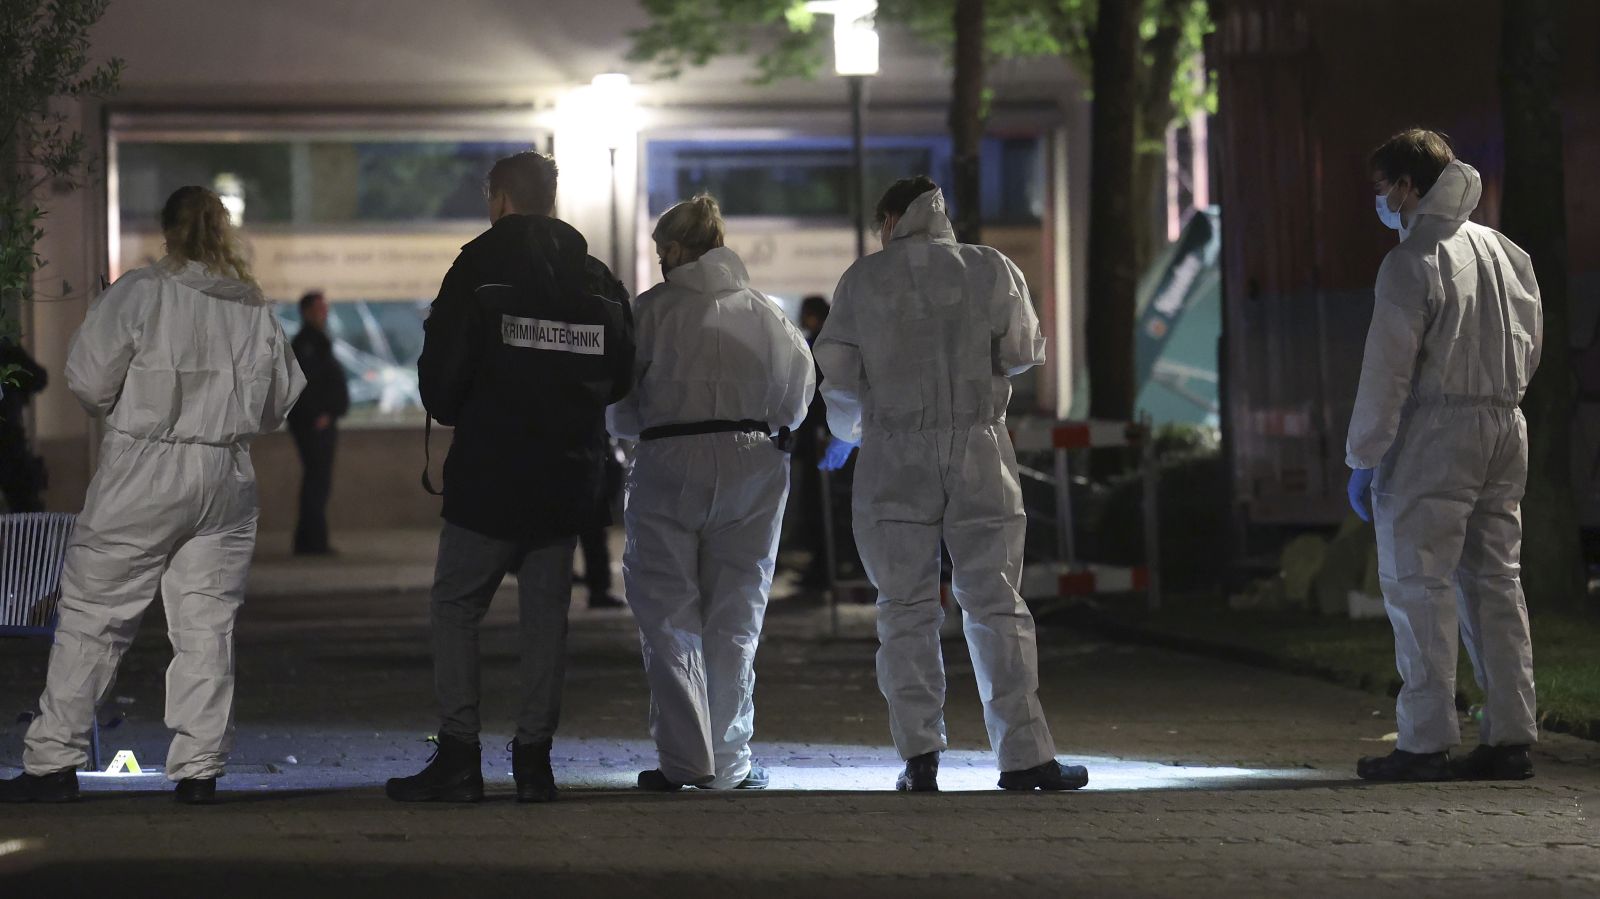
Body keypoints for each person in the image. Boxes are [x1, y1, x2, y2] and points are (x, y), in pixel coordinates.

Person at [0, 186, 305, 805]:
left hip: (144, 467)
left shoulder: (141, 293)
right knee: (205, 624)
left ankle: (52, 761)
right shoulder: (252, 306)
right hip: (225, 474)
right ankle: (198, 770)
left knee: (93, 614)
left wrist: (136, 411)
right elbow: (280, 401)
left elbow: (87, 380)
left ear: (165, 232)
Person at [814, 176, 1087, 793]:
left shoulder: (864, 279)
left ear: (890, 219)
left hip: (893, 454)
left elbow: (838, 374)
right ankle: (1024, 756)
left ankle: (920, 757)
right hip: (978, 447)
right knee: (996, 601)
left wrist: (856, 430)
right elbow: (1020, 351)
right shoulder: (990, 268)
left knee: (905, 606)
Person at [387, 151, 634, 804]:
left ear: (499, 197)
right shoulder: (596, 277)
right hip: (567, 478)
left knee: (455, 604)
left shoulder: (477, 267)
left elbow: (442, 379)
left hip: (492, 474)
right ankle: (534, 761)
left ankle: (461, 755)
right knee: (545, 618)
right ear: (550, 199)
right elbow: (624, 372)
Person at [1346, 129, 1542, 782]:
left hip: (1435, 435)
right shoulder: (1505, 252)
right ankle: (1511, 734)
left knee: (1419, 584)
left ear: (1407, 186)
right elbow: (1532, 344)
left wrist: (1365, 455)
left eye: (1384, 190)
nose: (1383, 203)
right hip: (1504, 427)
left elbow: (1387, 372)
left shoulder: (1411, 261)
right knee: (1496, 585)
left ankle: (1425, 740)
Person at [608, 195, 814, 792]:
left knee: (667, 610)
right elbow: (797, 401)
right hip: (754, 464)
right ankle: (730, 762)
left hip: (668, 458)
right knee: (737, 612)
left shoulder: (649, 313)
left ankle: (684, 759)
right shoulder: (767, 314)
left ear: (673, 249)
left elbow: (619, 405)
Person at [288, 290, 349, 556]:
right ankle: (312, 542)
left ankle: (311, 539)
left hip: (320, 421)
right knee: (317, 480)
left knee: (318, 481)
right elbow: (306, 385)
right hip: (313, 424)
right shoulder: (306, 344)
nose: (325, 314)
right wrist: (318, 414)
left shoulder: (316, 341)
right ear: (307, 312)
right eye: (319, 309)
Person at [793, 295, 832, 589]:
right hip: (825, 434)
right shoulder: (828, 343)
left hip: (818, 437)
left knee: (818, 505)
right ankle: (822, 564)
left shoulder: (815, 345)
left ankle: (822, 568)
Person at [574, 440, 626, 609]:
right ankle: (598, 590)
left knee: (591, 534)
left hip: (581, 464)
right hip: (588, 467)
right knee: (594, 534)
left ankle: (598, 588)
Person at [0, 338, 49, 512]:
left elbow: (39, 378)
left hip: (8, 442)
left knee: (25, 510)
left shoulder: (6, 350)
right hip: (9, 443)